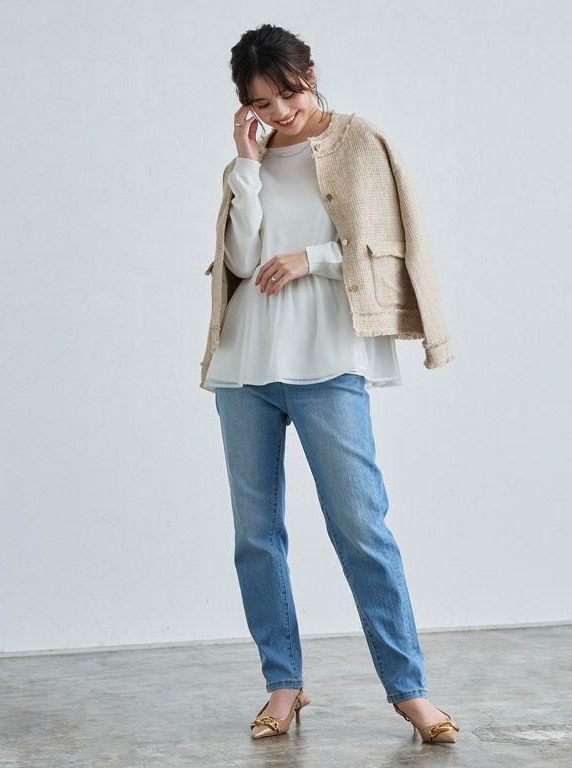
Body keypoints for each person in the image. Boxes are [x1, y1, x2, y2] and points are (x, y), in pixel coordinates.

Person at [201, 24, 459, 744]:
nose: (281, 111)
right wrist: (245, 164)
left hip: (328, 358)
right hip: (247, 363)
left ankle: (410, 690)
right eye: (263, 102)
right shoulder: (250, 160)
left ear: (309, 74)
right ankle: (283, 685)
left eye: (289, 93)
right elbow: (241, 259)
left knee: (361, 526)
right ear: (245, 103)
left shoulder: (358, 142)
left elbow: (388, 242)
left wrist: (309, 258)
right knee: (256, 535)